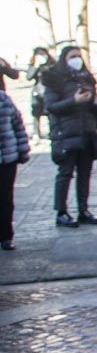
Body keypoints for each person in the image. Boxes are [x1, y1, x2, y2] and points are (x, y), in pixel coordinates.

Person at [41, 44, 97, 228]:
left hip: (87, 131)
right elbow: (51, 107)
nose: (77, 59)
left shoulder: (86, 78)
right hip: (66, 133)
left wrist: (95, 103)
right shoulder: (54, 80)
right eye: (72, 56)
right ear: (64, 59)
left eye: (79, 55)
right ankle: (61, 212)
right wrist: (73, 100)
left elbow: (92, 107)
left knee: (85, 173)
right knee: (65, 173)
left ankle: (83, 210)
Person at [0, 84, 29, 250]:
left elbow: (17, 123)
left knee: (6, 198)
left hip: (7, 158)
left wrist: (23, 149)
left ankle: (5, 236)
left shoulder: (3, 98)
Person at [27, 47, 54, 140]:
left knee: (50, 112)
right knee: (36, 113)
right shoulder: (33, 65)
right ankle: (36, 133)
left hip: (49, 91)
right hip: (37, 92)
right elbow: (29, 76)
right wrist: (36, 66)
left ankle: (52, 131)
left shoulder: (52, 65)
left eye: (43, 54)